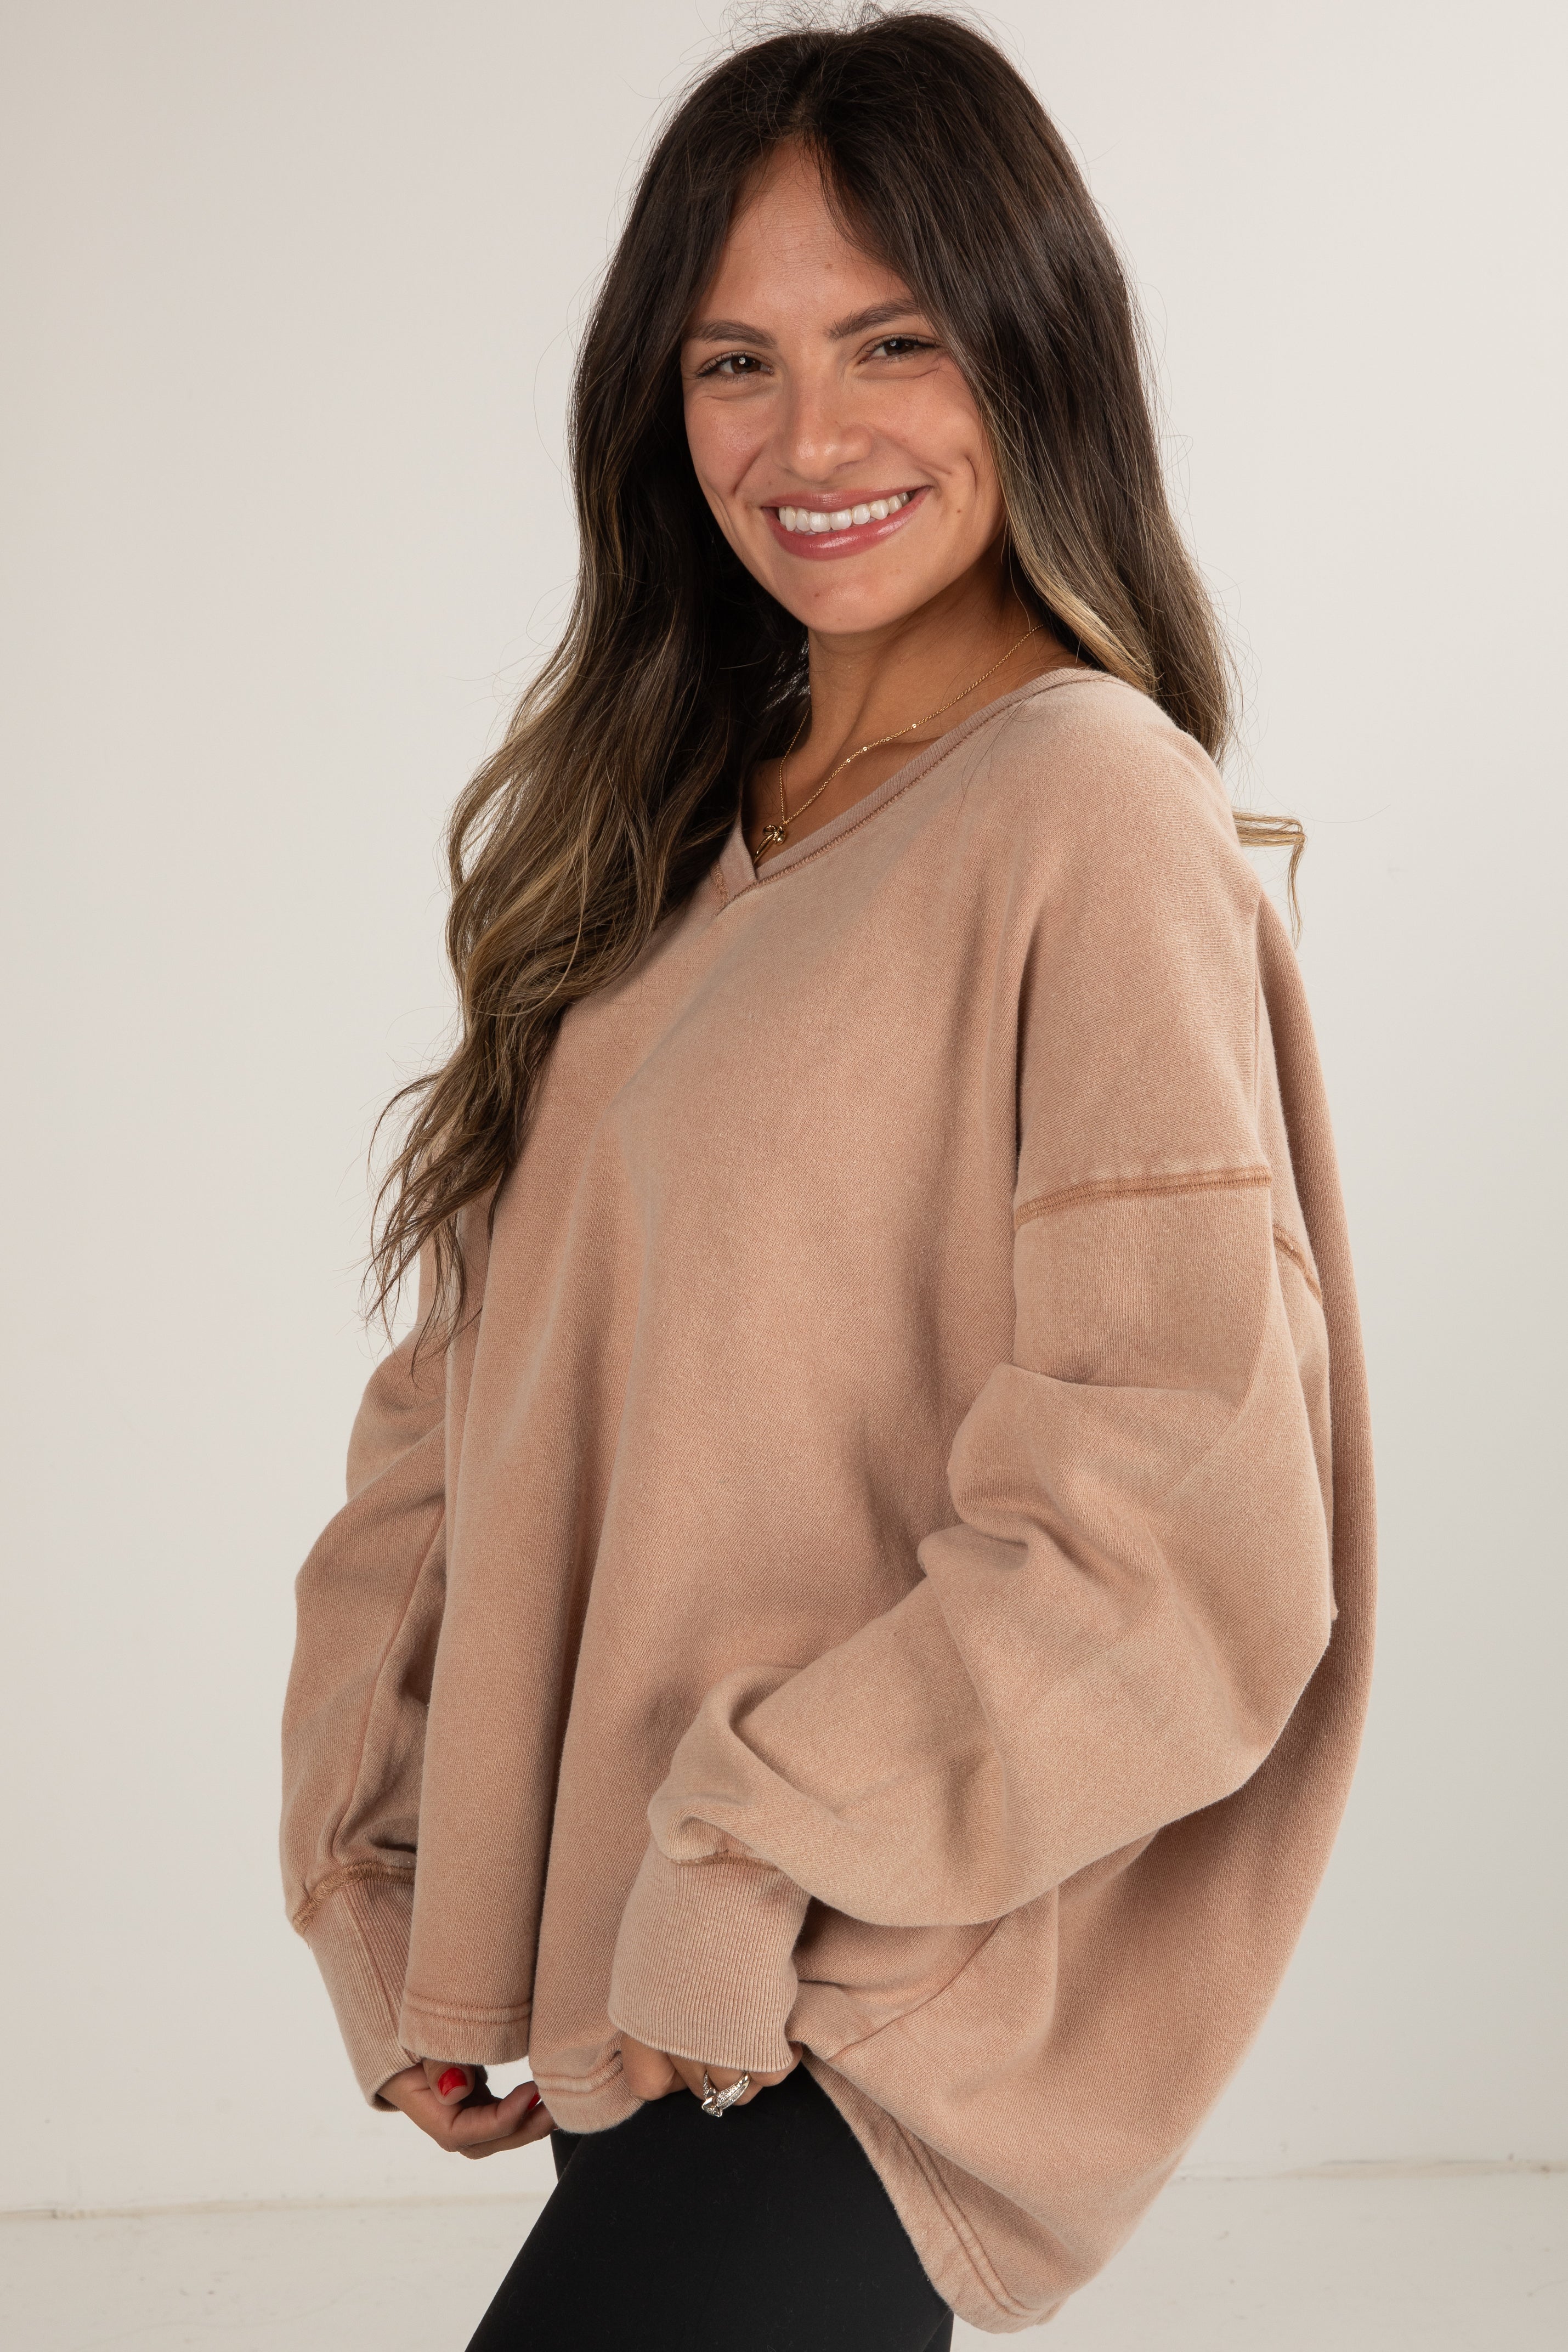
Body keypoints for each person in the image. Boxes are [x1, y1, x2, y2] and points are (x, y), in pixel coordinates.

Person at [280, 14, 1374, 2347]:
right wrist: (377, 1864)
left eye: (894, 342)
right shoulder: (672, 844)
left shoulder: (1088, 808)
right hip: (662, 2001)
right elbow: (462, 1398)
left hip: (862, 2004)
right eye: (732, 363)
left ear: (1031, 351)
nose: (812, 439)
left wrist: (748, 1848)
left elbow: (1175, 1514)